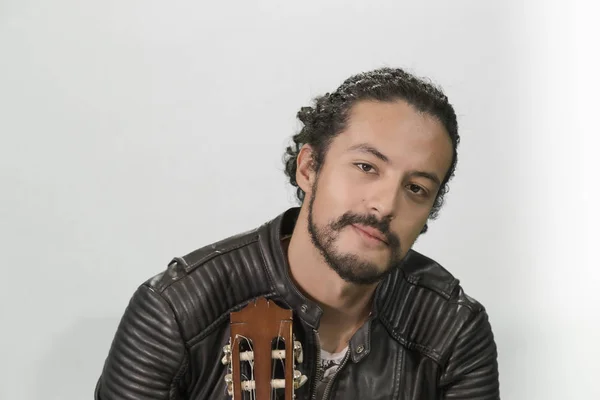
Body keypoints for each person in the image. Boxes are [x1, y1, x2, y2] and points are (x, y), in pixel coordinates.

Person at [95, 67, 500, 399]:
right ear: (308, 168)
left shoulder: (451, 330)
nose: (386, 205)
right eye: (366, 167)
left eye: (416, 189)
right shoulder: (177, 312)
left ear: (428, 212)